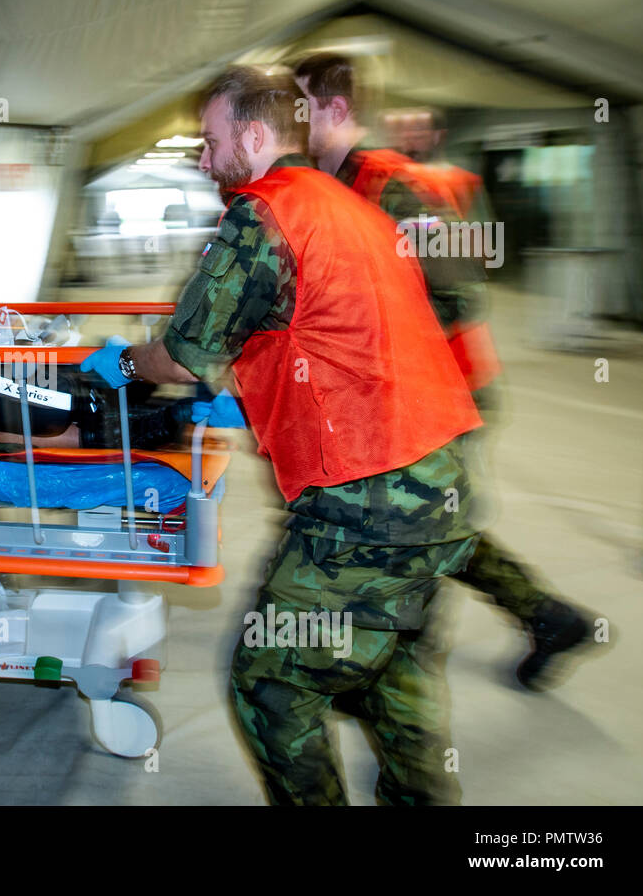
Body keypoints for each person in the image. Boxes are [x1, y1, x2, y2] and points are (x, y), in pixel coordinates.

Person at [82, 65, 483, 805]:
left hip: (367, 500)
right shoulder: (353, 207)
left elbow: (181, 353)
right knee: (389, 669)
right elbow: (333, 333)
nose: (205, 159)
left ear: (256, 136)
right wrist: (255, 401)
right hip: (445, 483)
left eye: (211, 141)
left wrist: (124, 360)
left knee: (270, 680)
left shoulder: (262, 211)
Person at [294, 53, 594, 690]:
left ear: (335, 110)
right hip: (390, 403)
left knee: (416, 537)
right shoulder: (321, 187)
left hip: (443, 396)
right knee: (436, 531)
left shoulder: (391, 184)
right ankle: (548, 617)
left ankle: (403, 708)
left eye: (299, 108)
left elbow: (461, 289)